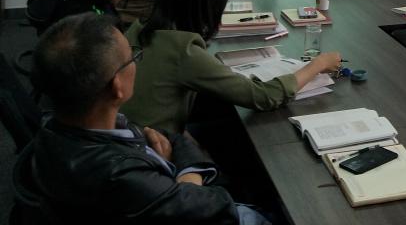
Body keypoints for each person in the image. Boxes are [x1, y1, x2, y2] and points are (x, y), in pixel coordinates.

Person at [11, 12, 254, 224]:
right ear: (117, 86)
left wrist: (180, 176)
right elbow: (214, 206)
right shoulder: (120, 176)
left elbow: (171, 138)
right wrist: (189, 179)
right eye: (133, 57)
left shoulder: (61, 128)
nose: (136, 63)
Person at [122, 0, 342, 134]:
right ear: (204, 3)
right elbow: (264, 97)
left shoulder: (140, 26)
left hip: (128, 139)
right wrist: (318, 64)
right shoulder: (183, 51)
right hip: (153, 152)